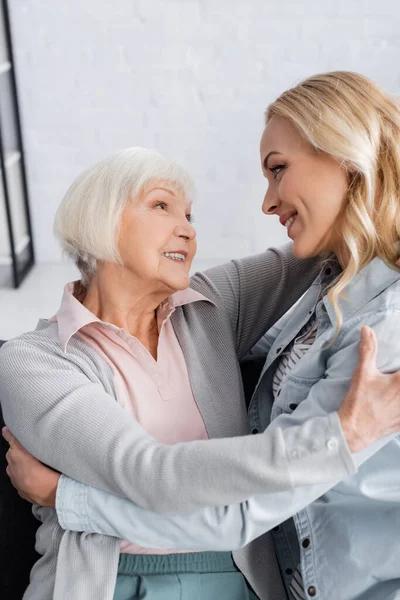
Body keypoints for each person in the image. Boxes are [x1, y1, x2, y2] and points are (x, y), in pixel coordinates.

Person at [2, 77, 400, 600]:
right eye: (163, 206)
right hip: (108, 582)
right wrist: (337, 439)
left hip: (242, 577)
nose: (188, 229)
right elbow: (149, 473)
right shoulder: (34, 362)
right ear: (98, 216)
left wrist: (65, 498)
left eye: (191, 216)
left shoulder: (210, 308)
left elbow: (339, 230)